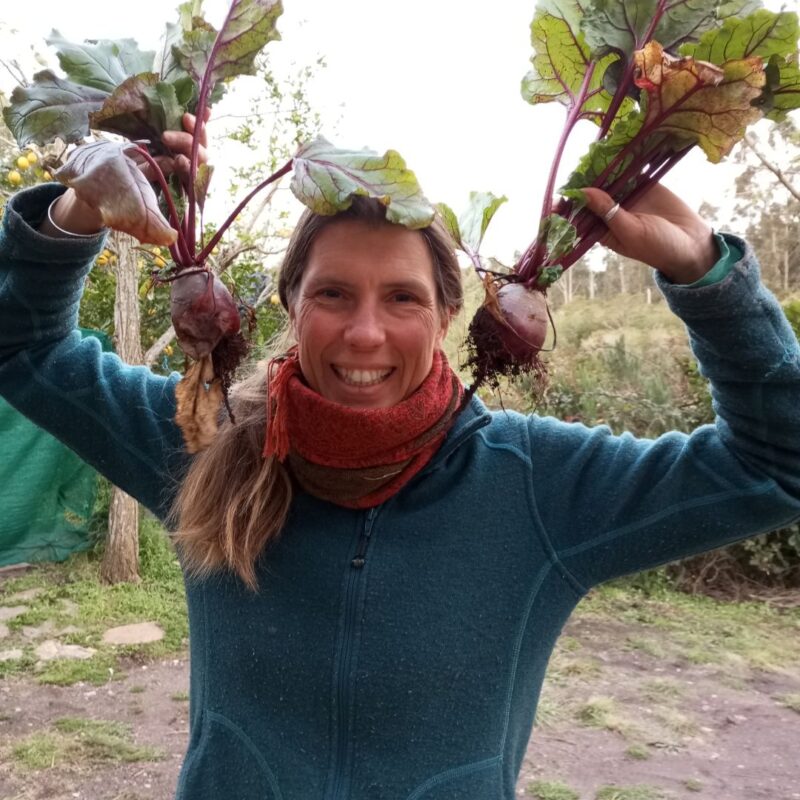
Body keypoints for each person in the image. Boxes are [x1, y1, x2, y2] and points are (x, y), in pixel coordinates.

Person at [1, 113, 799, 800]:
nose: (365, 332)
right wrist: (79, 208)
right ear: (291, 303)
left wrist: (706, 274)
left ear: (448, 313)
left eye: (403, 298)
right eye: (333, 293)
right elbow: (23, 350)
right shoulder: (207, 439)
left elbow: (776, 465)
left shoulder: (538, 485)